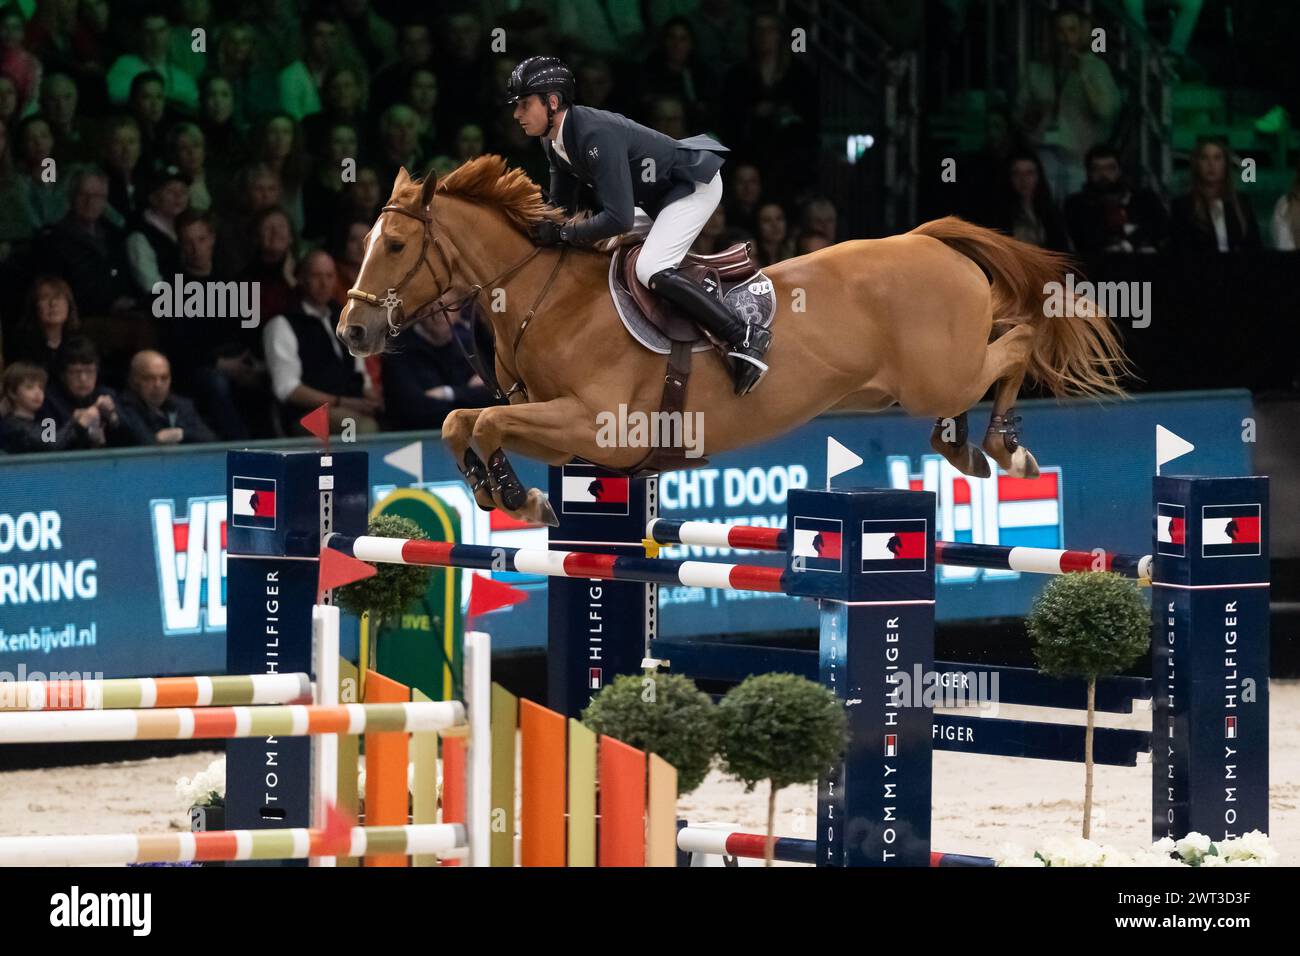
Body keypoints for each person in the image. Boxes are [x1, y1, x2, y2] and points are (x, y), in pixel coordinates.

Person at [507, 55, 770, 394]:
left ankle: (744, 334)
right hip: (655, 198)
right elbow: (561, 209)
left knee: (651, 268)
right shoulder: (553, 141)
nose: (517, 114)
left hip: (692, 187)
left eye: (524, 104)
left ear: (552, 102)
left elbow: (616, 218)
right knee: (606, 255)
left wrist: (561, 232)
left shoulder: (593, 134)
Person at [264, 249, 381, 435]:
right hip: (307, 415)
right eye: (316, 276)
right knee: (361, 427)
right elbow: (287, 389)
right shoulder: (283, 324)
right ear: (301, 279)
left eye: (329, 276)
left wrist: (371, 395)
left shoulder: (344, 319)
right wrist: (341, 402)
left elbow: (359, 373)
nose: (324, 283)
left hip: (352, 404)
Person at [1015, 7, 1120, 202]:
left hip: (1080, 155)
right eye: (1060, 31)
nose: (1066, 38)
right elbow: (1019, 119)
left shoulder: (1096, 68)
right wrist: (1036, 111)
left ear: (1081, 34)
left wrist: (1083, 75)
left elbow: (1106, 112)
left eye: (1071, 30)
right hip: (1043, 150)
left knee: (1076, 207)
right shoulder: (1036, 70)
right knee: (1045, 206)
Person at [382, 310, 497, 431]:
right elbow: (413, 409)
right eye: (432, 308)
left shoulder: (468, 344)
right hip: (415, 438)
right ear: (419, 313)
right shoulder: (399, 348)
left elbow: (496, 398)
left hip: (469, 433)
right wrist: (470, 395)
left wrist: (449, 393)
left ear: (458, 312)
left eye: (449, 307)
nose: (440, 313)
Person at [1064, 144, 1167, 259]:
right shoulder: (1075, 205)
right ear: (1088, 172)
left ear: (1119, 170)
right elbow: (1085, 241)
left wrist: (1129, 243)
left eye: (1110, 168)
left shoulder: (1145, 199)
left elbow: (1161, 227)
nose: (1103, 174)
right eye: (1096, 169)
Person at [1168, 139, 1261, 255]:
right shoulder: (1182, 206)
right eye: (1204, 158)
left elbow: (1255, 246)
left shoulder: (1242, 203)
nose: (1211, 164)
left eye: (1217, 158)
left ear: (1225, 164)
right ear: (1197, 164)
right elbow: (1178, 249)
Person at [42, 335, 134, 447]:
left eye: (90, 371)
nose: (83, 379)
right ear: (63, 375)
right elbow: (47, 444)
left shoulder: (106, 394)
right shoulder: (49, 401)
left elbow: (137, 440)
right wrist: (78, 425)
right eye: (75, 372)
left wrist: (113, 418)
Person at [0, 360, 105, 452]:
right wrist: (79, 423)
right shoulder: (12, 425)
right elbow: (52, 446)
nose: (38, 393)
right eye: (29, 387)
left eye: (41, 388)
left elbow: (62, 442)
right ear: (12, 392)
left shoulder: (42, 421)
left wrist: (88, 434)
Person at [117, 349, 216, 445]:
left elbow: (210, 439)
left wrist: (181, 434)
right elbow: (145, 442)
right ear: (135, 380)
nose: (158, 384)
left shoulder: (182, 405)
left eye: (164, 378)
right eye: (149, 378)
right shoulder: (124, 408)